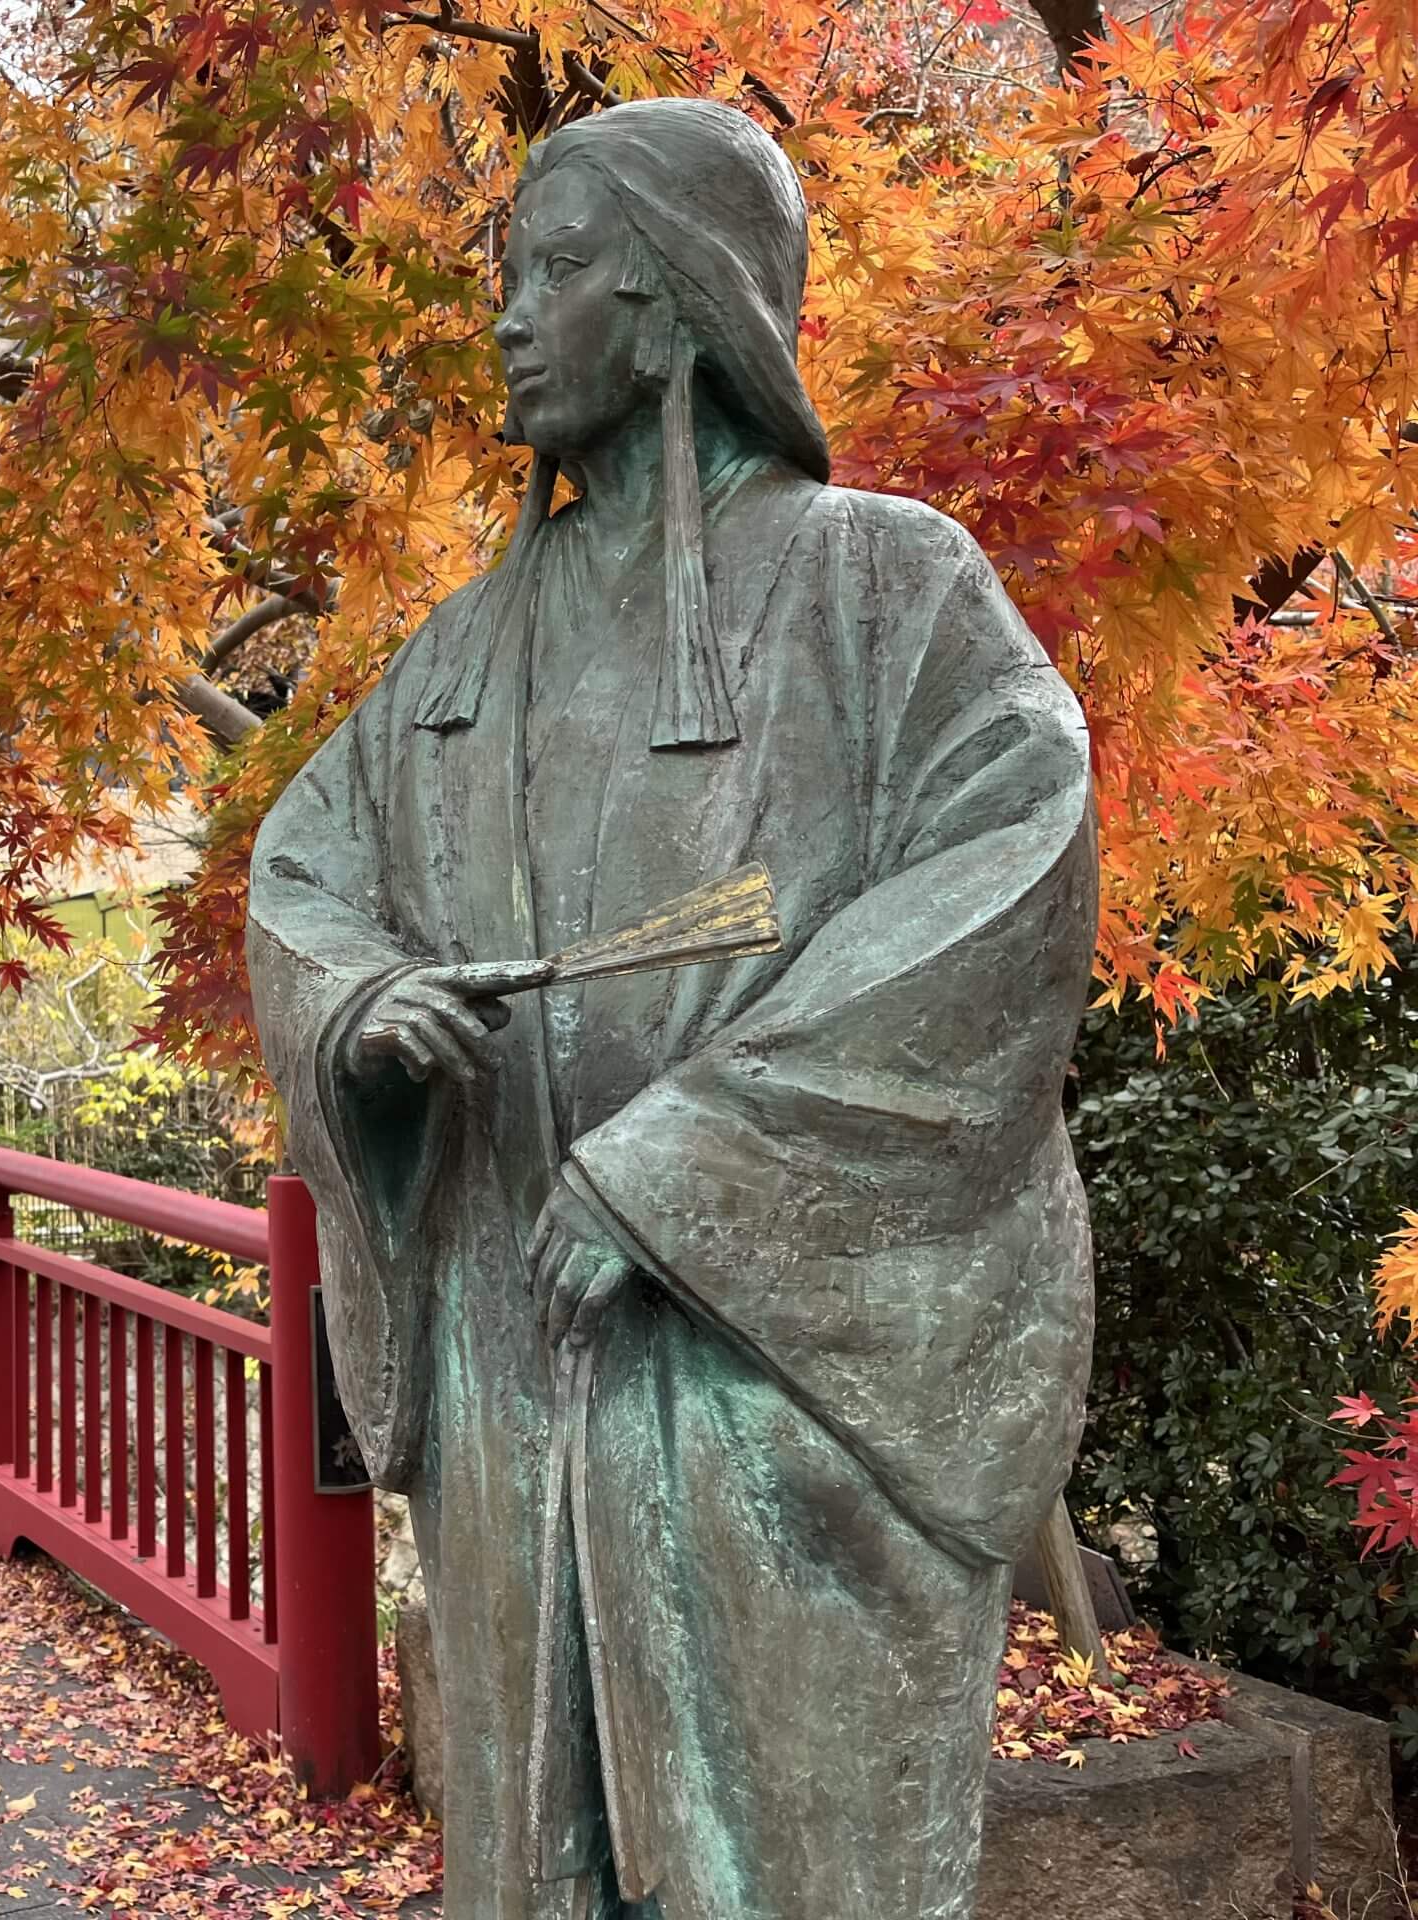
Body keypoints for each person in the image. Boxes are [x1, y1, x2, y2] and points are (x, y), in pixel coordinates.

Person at [245, 98, 1099, 1920]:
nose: (508, 314)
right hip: (508, 1335)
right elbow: (300, 874)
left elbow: (1005, 877)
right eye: (509, 273)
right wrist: (366, 1008)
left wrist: (685, 1170)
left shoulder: (887, 585)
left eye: (556, 271)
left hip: (761, 1379)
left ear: (678, 304)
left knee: (785, 1855)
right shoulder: (462, 653)